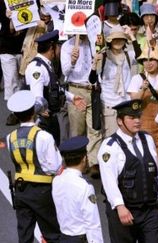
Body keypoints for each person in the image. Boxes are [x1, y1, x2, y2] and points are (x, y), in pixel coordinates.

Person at [98, 99, 158, 243]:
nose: (137, 121)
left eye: (138, 117)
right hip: (125, 210)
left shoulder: (147, 139)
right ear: (120, 121)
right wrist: (120, 207)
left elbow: (155, 170)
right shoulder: (110, 147)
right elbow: (109, 181)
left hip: (149, 210)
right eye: (132, 118)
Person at [6, 90, 61, 242]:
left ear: (16, 115)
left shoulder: (11, 137)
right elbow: (55, 167)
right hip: (42, 190)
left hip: (21, 189)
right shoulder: (43, 136)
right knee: (52, 233)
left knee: (25, 234)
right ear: (33, 111)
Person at [25, 30, 86, 145]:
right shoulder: (37, 68)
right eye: (57, 46)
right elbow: (37, 95)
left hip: (50, 117)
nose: (59, 50)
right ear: (52, 48)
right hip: (42, 120)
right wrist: (41, 108)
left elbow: (55, 87)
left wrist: (72, 98)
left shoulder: (46, 64)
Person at [61, 34, 103, 178]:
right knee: (77, 129)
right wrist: (73, 61)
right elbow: (64, 71)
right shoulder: (67, 46)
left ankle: (93, 162)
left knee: (94, 128)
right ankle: (78, 161)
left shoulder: (94, 43)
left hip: (93, 90)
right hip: (76, 89)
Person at [52, 136, 103, 242]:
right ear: (84, 158)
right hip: (80, 239)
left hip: (64, 237)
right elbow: (92, 223)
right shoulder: (85, 187)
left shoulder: (56, 181)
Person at [90, 27, 133, 137]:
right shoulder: (103, 56)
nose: (118, 41)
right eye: (115, 39)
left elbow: (142, 56)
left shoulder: (129, 55)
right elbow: (92, 79)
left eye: (121, 38)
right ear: (110, 41)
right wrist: (94, 65)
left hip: (126, 104)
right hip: (109, 106)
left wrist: (131, 36)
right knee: (111, 138)